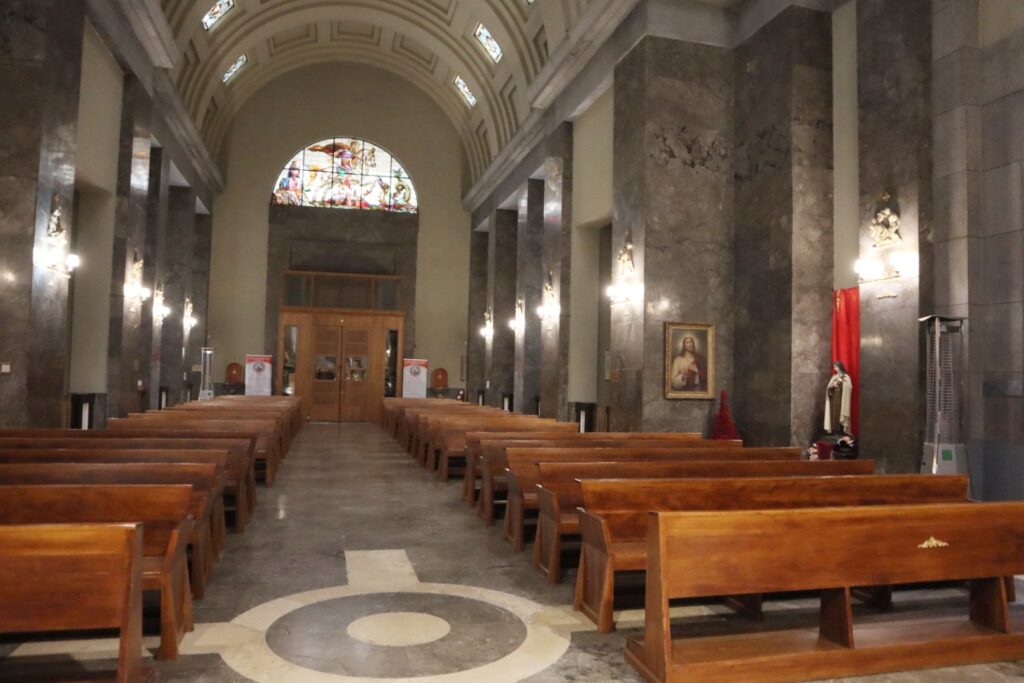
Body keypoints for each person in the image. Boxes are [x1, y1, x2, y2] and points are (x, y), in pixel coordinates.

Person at [824, 360, 853, 434]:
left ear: (840, 367)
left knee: (840, 412)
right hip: (834, 398)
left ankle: (841, 430)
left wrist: (842, 382)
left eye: (836, 367)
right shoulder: (834, 377)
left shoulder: (846, 376)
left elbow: (849, 387)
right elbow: (828, 387)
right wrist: (833, 385)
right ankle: (834, 430)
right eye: (834, 367)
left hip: (842, 398)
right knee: (834, 413)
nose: (835, 368)